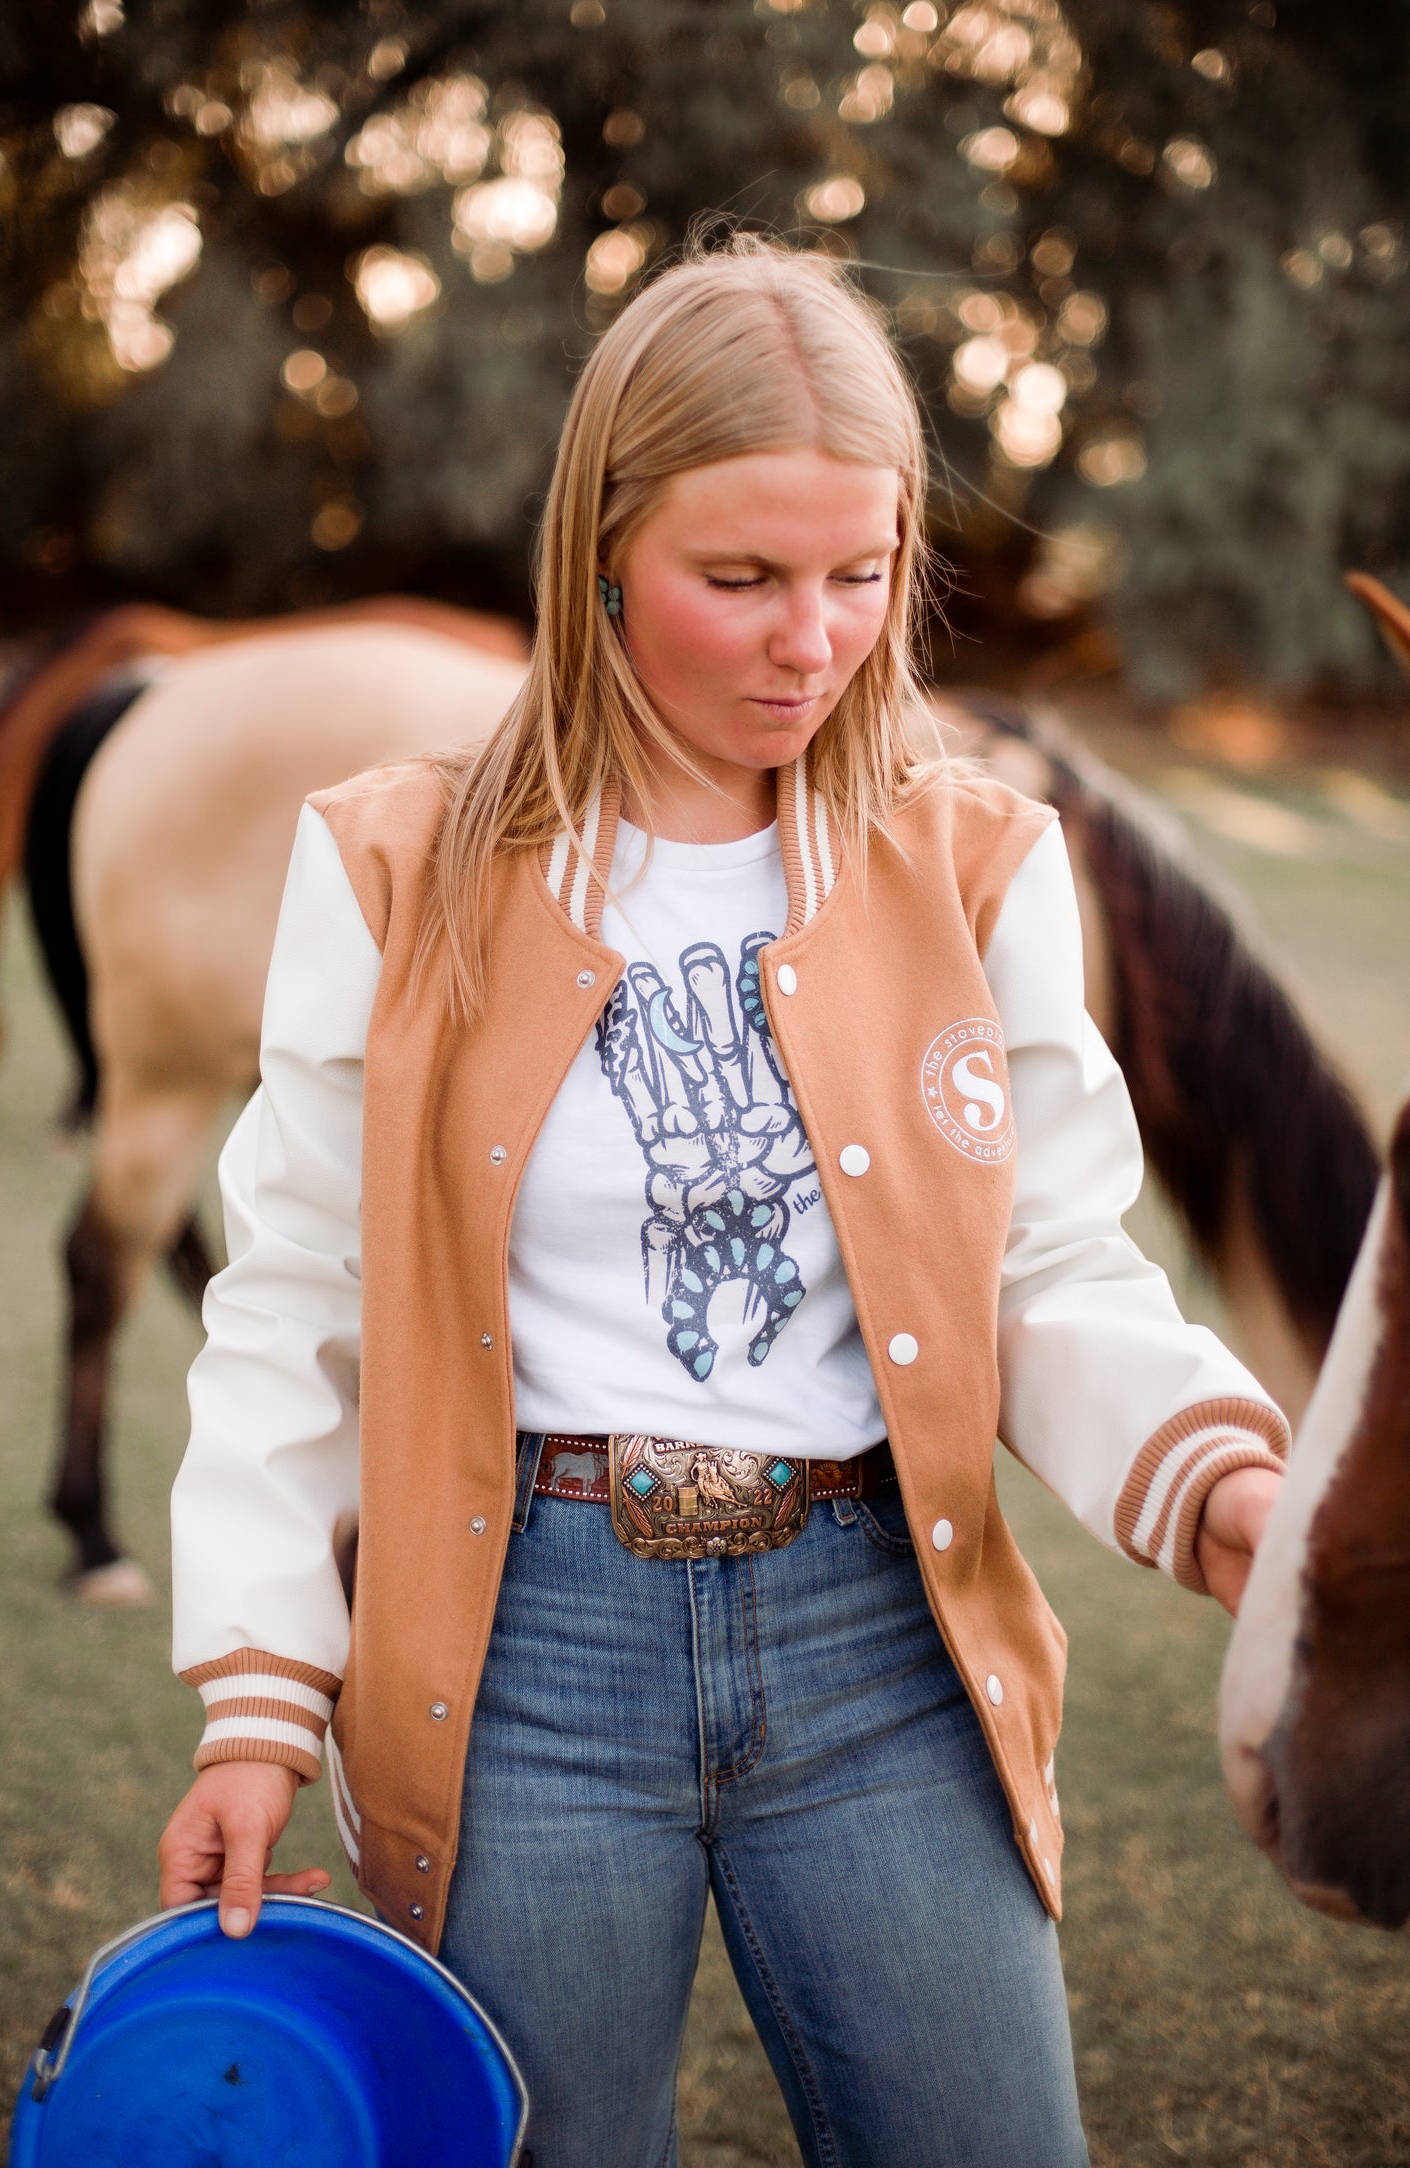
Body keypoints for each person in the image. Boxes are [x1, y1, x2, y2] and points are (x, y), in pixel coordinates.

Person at [158, 237, 1287, 2167]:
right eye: (740, 580)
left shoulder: (982, 867)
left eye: (861, 576)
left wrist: (1233, 1488)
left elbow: (1051, 1271)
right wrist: (259, 1704)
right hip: (522, 1664)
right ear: (601, 552)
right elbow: (294, 1305)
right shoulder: (391, 867)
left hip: (881, 1648)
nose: (813, 640)